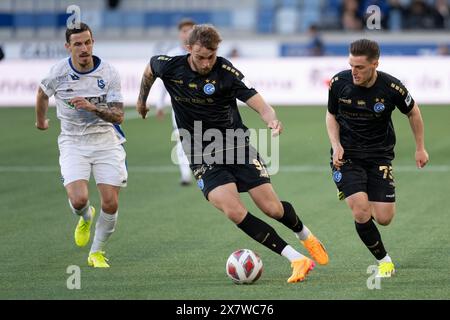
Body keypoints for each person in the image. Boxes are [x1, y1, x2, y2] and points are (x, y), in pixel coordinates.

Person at [137, 24, 328, 283]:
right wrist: (141, 99)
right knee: (234, 211)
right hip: (199, 151)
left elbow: (259, 103)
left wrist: (271, 119)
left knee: (271, 208)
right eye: (201, 57)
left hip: (235, 144)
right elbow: (149, 71)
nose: (206, 63)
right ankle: (297, 259)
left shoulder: (226, 71)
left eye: (211, 56)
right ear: (188, 49)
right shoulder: (168, 65)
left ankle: (306, 236)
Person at [326, 39, 429, 278]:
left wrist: (420, 148)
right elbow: (331, 115)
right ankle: (384, 260)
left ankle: (354, 192)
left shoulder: (392, 88)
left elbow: (413, 111)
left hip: (379, 155)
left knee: (384, 218)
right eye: (351, 65)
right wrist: (335, 144)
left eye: (360, 67)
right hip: (347, 155)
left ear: (375, 65)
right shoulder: (338, 83)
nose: (354, 71)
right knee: (361, 210)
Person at [35, 22, 126, 268]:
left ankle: (96, 253)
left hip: (105, 140)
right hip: (73, 142)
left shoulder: (109, 73)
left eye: (88, 42)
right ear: (68, 47)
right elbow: (42, 93)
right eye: (78, 44)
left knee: (111, 202)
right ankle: (86, 216)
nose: (84, 48)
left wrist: (93, 107)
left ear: (93, 43)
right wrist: (41, 119)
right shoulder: (58, 73)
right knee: (78, 200)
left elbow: (118, 116)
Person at [154, 18, 195, 186]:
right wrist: (160, 104)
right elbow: (164, 83)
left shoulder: (202, 54)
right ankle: (185, 175)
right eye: (184, 31)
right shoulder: (170, 56)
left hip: (203, 105)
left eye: (190, 30)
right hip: (179, 107)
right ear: (179, 34)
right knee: (182, 139)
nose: (187, 34)